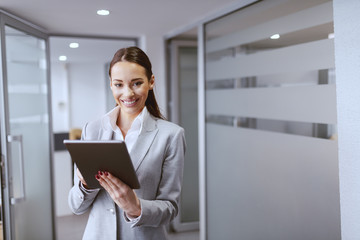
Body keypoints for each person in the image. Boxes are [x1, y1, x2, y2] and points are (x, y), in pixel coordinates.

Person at [68, 46, 185, 240]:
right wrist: (85, 185)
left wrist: (136, 207)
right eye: (119, 84)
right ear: (111, 85)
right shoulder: (92, 129)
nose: (128, 93)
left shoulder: (171, 135)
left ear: (151, 82)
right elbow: (76, 206)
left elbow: (170, 208)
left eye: (137, 83)